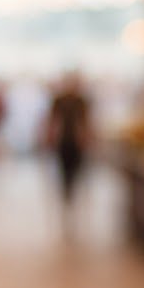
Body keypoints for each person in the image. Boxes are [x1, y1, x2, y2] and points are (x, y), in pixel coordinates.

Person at [44, 73, 91, 204]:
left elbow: (85, 121)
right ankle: (66, 188)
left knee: (76, 165)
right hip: (63, 139)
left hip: (76, 140)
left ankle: (71, 187)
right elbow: (53, 120)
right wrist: (50, 136)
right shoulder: (59, 100)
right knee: (64, 166)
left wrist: (86, 137)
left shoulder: (81, 100)